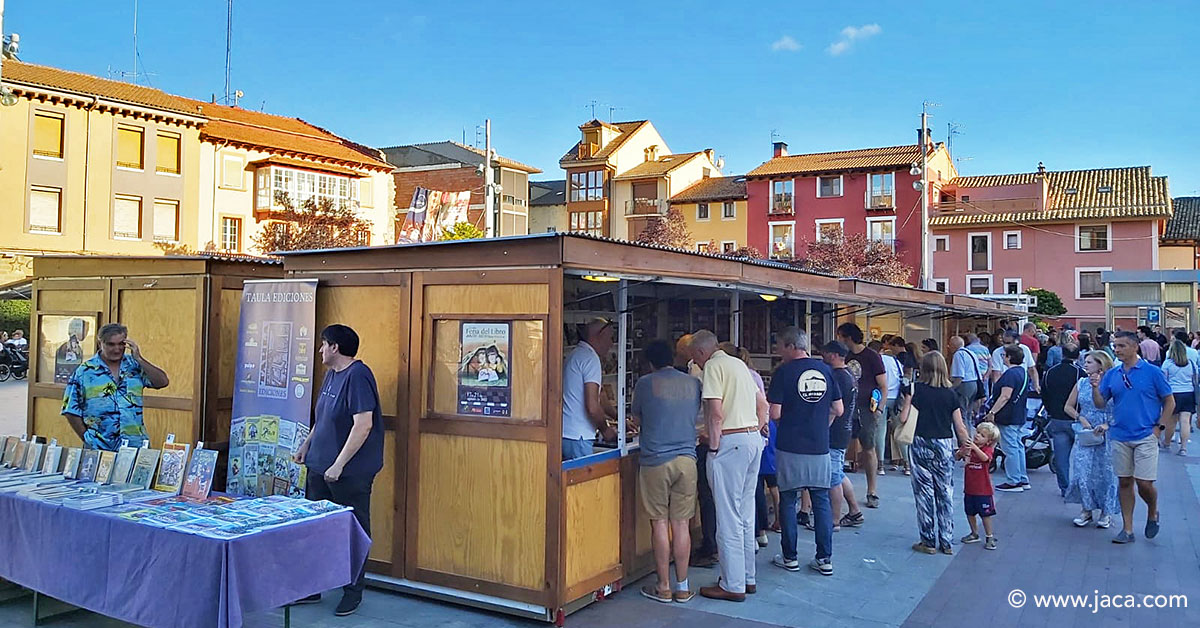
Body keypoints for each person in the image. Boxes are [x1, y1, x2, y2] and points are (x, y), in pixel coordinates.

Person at [293, 324, 384, 616]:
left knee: (351, 530)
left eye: (323, 344)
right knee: (314, 528)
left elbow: (363, 424)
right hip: (319, 466)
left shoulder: (358, 376)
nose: (320, 349)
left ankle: (352, 591)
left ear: (335, 347)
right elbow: (323, 417)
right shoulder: (331, 375)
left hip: (348, 473)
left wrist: (340, 463)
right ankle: (311, 588)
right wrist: (307, 445)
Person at [691, 330, 768, 602]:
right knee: (745, 514)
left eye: (695, 359)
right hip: (751, 440)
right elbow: (763, 405)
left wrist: (713, 445)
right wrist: (755, 430)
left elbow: (715, 411)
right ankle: (748, 578)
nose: (696, 365)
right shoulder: (739, 364)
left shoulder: (713, 366)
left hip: (730, 444)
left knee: (727, 517)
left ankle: (732, 584)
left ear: (702, 353)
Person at [630, 339, 701, 604]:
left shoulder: (645, 384)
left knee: (659, 523)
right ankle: (683, 587)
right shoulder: (693, 383)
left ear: (649, 362)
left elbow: (636, 419)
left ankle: (663, 586)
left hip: (655, 459)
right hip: (686, 459)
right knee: (681, 524)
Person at [768, 328, 842, 576]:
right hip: (819, 445)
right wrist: (823, 423)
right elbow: (838, 409)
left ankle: (790, 557)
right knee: (821, 501)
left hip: (790, 445)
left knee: (788, 501)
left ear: (790, 346)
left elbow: (775, 413)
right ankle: (825, 558)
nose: (778, 351)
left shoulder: (783, 373)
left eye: (779, 346)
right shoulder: (825, 370)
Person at [1091, 331, 1173, 544]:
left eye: (1121, 346)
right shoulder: (1113, 374)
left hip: (1146, 433)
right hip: (1120, 434)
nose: (1116, 350)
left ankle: (1152, 510)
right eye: (1115, 346)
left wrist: (1159, 427)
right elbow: (1101, 403)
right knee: (1125, 481)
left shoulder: (1152, 372)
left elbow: (1169, 401)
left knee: (1144, 483)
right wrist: (1094, 388)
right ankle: (1127, 529)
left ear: (1135, 347)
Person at [899, 351, 971, 555]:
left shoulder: (915, 389)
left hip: (920, 442)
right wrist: (965, 446)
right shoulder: (951, 394)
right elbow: (960, 425)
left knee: (923, 493)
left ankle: (928, 540)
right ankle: (946, 540)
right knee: (945, 492)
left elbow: (904, 418)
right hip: (944, 444)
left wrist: (908, 400)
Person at [61, 323, 170, 451]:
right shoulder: (84, 372)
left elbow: (162, 382)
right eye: (111, 344)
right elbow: (70, 409)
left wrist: (139, 359)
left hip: (135, 445)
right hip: (100, 446)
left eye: (121, 344)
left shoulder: (134, 366)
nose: (117, 349)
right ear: (100, 343)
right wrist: (86, 437)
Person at [1064, 350, 1119, 529]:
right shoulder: (1081, 383)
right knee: (1082, 472)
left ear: (1101, 365)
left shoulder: (1113, 384)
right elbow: (1068, 406)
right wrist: (1080, 417)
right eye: (1085, 361)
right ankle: (1086, 510)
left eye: (1089, 362)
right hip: (1086, 433)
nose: (1085, 365)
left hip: (1107, 434)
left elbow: (1121, 410)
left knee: (1106, 474)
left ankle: (1106, 512)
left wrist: (1108, 425)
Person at [676, 335, 718, 569]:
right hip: (700, 437)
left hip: (702, 438)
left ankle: (709, 545)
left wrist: (711, 440)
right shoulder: (697, 368)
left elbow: (711, 409)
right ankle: (708, 543)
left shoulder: (706, 371)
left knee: (706, 495)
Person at [836, 323, 886, 509]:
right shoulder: (843, 355)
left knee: (869, 447)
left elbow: (882, 385)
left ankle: (872, 490)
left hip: (866, 407)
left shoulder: (871, 356)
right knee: (840, 446)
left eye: (841, 336)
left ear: (848, 337)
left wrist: (879, 408)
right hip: (846, 405)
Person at [561, 318, 618, 461]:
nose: (611, 343)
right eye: (610, 338)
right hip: (579, 436)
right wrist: (605, 429)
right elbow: (592, 406)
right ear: (599, 336)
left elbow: (601, 394)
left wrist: (618, 417)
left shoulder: (575, 355)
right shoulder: (591, 359)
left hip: (566, 433)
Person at [822, 341, 864, 530]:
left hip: (835, 430)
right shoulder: (850, 375)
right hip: (845, 429)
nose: (823, 356)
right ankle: (854, 511)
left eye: (825, 353)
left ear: (833, 355)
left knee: (832, 478)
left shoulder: (837, 377)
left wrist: (823, 427)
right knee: (838, 474)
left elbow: (833, 408)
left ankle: (834, 520)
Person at [985, 345, 1032, 492]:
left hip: (1008, 416)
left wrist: (992, 412)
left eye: (1004, 355)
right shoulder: (1022, 372)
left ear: (1010, 357)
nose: (1003, 358)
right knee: (1018, 447)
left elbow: (1005, 396)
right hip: (1018, 414)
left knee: (1010, 448)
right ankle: (1022, 478)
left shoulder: (1010, 374)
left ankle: (1014, 481)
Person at [1042, 344, 1084, 496]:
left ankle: (1065, 488)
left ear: (1062, 354)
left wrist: (1050, 410)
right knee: (1081, 458)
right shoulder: (1080, 373)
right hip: (1077, 419)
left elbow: (1044, 394)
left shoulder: (1050, 372)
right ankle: (1081, 488)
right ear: (1078, 356)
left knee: (1061, 458)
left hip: (1057, 418)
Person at [958, 421, 999, 550]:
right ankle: (974, 533)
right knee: (969, 512)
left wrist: (974, 448)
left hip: (983, 490)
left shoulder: (987, 450)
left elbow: (985, 458)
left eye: (982, 435)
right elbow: (957, 457)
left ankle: (989, 536)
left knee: (985, 514)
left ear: (988, 441)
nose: (977, 436)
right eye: (977, 433)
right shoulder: (970, 447)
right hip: (970, 488)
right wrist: (962, 452)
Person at [1159, 339, 1194, 456]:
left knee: (1171, 421)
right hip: (1188, 393)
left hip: (1173, 393)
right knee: (1185, 421)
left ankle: (1167, 442)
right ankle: (1183, 447)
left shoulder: (1167, 364)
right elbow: (1195, 378)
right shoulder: (1190, 363)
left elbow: (1163, 380)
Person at [948, 336, 982, 436]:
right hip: (974, 384)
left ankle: (964, 441)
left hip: (964, 386)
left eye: (950, 345)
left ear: (954, 346)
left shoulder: (958, 354)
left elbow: (959, 376)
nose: (948, 347)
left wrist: (951, 389)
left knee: (961, 415)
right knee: (968, 414)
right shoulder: (971, 353)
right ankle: (970, 438)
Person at [991, 330, 1040, 394]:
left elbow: (1032, 369)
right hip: (1005, 386)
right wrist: (998, 390)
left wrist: (1036, 385)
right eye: (1004, 342)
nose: (1005, 345)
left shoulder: (1025, 349)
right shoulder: (997, 352)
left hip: (1020, 386)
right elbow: (996, 374)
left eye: (1008, 343)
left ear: (1017, 342)